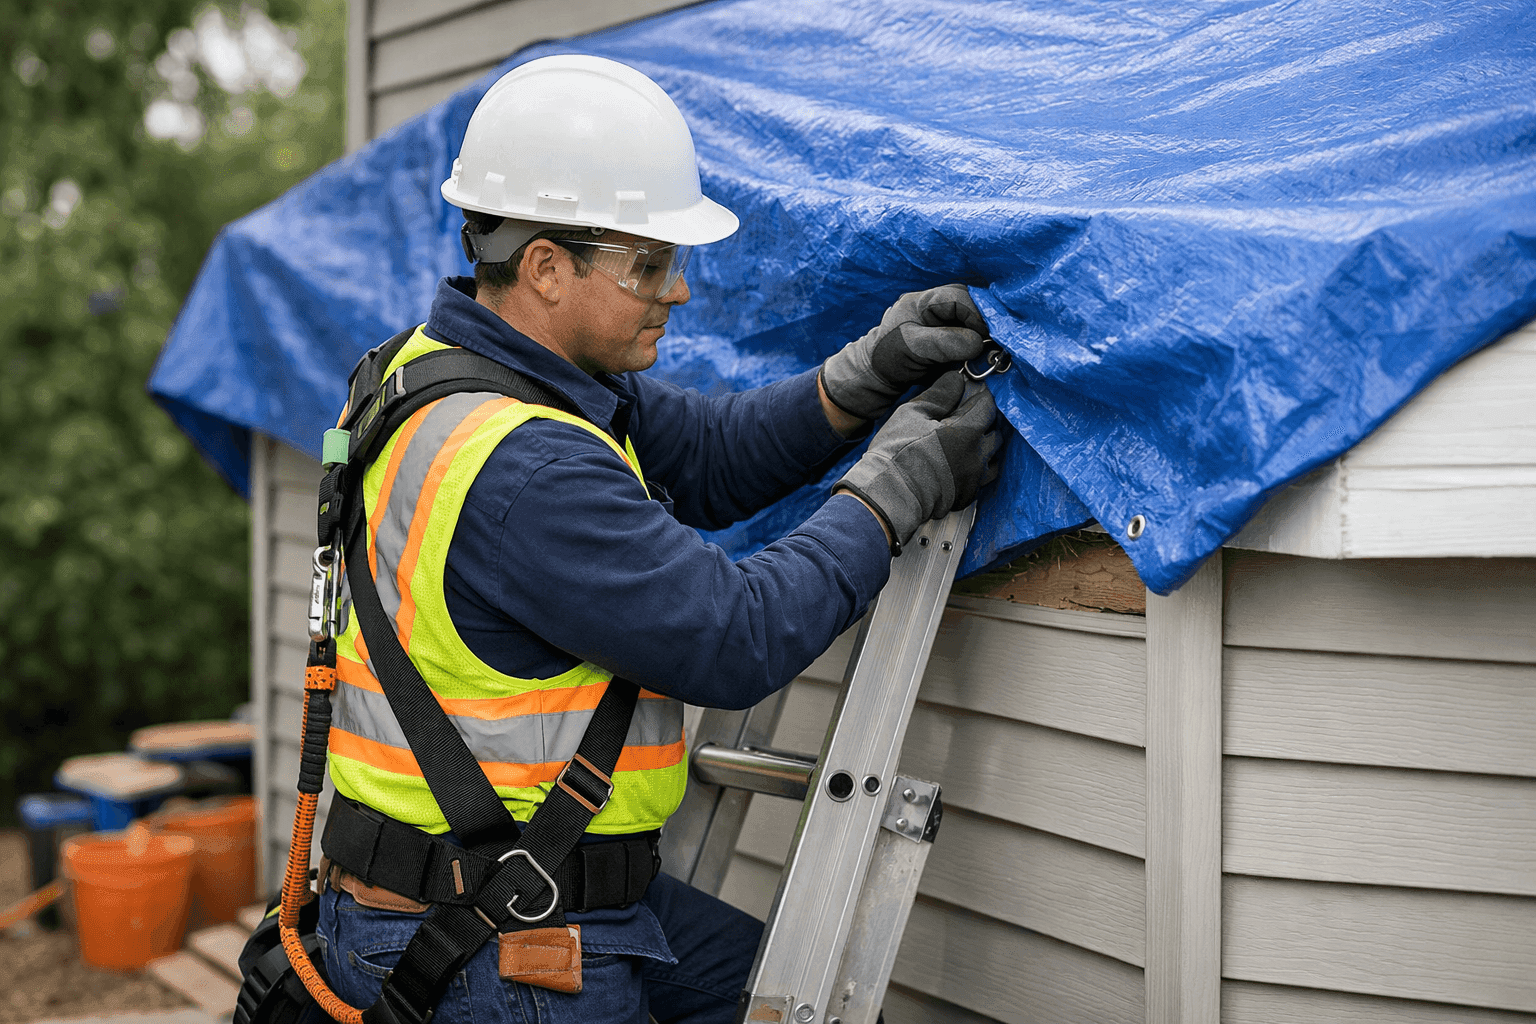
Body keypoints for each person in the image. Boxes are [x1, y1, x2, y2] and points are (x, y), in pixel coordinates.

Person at [313, 54, 999, 1024]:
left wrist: (862, 375)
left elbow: (711, 457)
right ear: (546, 267)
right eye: (647, 264)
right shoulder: (527, 466)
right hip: (490, 939)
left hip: (494, 886)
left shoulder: (446, 371)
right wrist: (898, 489)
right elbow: (733, 636)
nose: (676, 291)